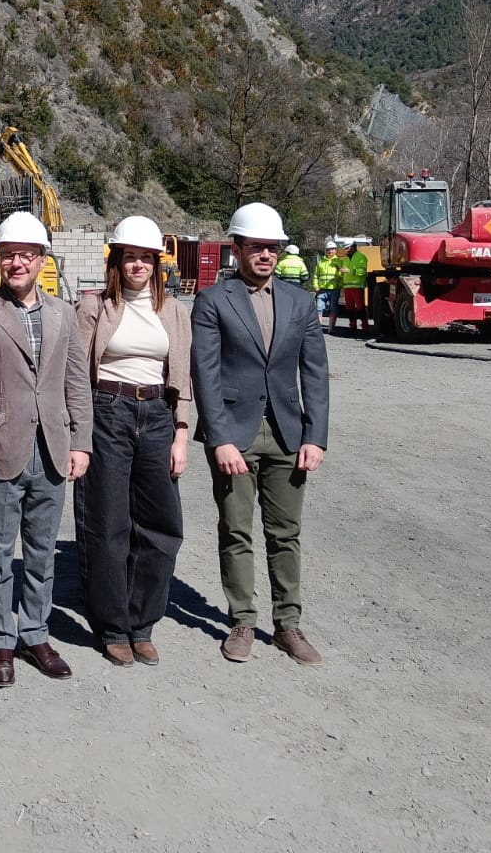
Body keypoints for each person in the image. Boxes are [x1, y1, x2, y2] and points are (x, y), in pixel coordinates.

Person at [0, 212, 92, 688]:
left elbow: (76, 383)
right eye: (10, 255)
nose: (17, 263)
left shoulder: (63, 314)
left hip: (51, 448)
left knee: (42, 552)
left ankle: (35, 634)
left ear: (41, 260)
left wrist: (81, 442)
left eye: (27, 255)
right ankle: (0, 641)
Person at [191, 201, 329, 668]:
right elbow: (205, 374)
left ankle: (288, 625)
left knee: (286, 533)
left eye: (273, 247)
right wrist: (219, 438)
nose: (266, 254)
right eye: (257, 247)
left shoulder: (300, 302)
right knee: (236, 530)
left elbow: (315, 374)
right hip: (236, 434)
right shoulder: (214, 301)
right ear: (238, 248)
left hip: (289, 433)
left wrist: (315, 436)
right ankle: (242, 622)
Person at [74, 216, 194, 667]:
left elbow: (182, 375)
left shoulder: (175, 312)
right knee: (108, 521)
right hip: (108, 409)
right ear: (117, 261)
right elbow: (76, 372)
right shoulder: (95, 307)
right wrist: (78, 433)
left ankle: (142, 623)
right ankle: (112, 626)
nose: (138, 265)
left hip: (158, 414)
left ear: (157, 263)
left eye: (147, 258)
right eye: (130, 257)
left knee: (161, 522)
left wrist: (181, 432)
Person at [336, 241, 369, 334]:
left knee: (360, 308)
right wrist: (340, 271)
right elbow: (343, 272)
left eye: (347, 248)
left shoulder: (361, 257)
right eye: (345, 248)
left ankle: (365, 327)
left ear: (353, 247)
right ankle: (352, 326)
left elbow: (362, 271)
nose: (346, 250)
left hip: (357, 286)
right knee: (349, 308)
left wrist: (349, 271)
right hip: (347, 286)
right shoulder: (345, 258)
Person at [312, 240, 341, 322]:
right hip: (322, 289)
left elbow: (342, 276)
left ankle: (331, 328)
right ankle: (318, 327)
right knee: (319, 308)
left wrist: (339, 286)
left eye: (332, 249)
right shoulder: (321, 262)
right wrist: (316, 286)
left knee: (333, 310)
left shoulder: (339, 261)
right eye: (328, 249)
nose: (330, 251)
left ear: (335, 250)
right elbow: (316, 276)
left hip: (334, 289)